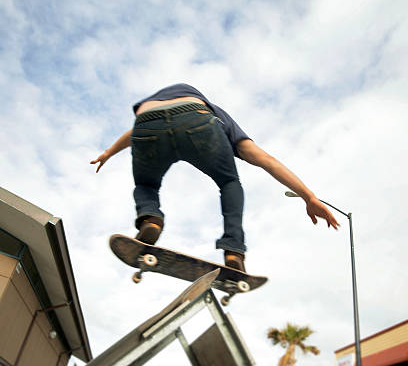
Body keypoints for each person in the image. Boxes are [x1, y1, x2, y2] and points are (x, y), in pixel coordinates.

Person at [91, 83, 339, 271]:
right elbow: (268, 161)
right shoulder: (225, 122)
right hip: (196, 118)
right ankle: (234, 251)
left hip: (146, 120)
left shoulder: (166, 102)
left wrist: (109, 152)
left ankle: (150, 220)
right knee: (229, 183)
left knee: (146, 185)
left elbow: (136, 129)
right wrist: (308, 196)